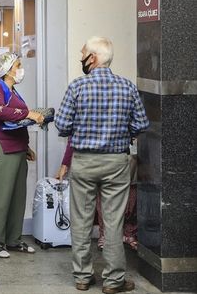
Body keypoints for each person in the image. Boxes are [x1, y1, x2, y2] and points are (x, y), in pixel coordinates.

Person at [55, 36, 149, 294]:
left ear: (93, 58)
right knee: (113, 222)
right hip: (116, 163)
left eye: (83, 53)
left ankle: (83, 277)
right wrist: (123, 133)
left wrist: (82, 128)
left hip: (84, 162)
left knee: (81, 221)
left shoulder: (76, 87)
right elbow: (141, 124)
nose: (81, 58)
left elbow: (62, 125)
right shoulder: (127, 87)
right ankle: (113, 281)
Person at [0, 52, 44, 259]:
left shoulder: (11, 89)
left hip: (16, 149)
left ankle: (14, 240)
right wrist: (29, 114)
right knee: (0, 199)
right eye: (18, 65)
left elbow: (14, 123)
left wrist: (25, 147)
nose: (20, 69)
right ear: (6, 69)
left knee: (16, 199)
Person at [56, 139, 139, 252]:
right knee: (104, 193)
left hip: (127, 152)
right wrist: (65, 164)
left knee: (131, 192)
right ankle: (105, 235)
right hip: (101, 154)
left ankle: (129, 232)